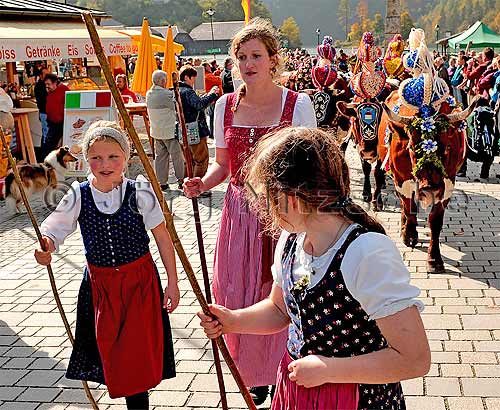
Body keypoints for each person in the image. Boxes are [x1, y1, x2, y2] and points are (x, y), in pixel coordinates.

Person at [199, 127, 431, 409]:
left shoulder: (366, 253)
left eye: (269, 201)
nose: (267, 212)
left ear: (292, 199)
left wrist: (330, 369)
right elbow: (280, 310)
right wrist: (234, 320)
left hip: (355, 400)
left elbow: (414, 359)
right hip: (301, 390)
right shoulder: (291, 240)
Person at [183, 18, 316, 405]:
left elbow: (310, 166)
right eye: (241, 57)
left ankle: (283, 368)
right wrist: (202, 184)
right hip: (240, 213)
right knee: (240, 291)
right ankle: (252, 376)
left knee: (282, 292)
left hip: (286, 212)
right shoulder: (225, 105)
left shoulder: (297, 104)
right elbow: (223, 165)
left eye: (256, 55)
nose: (248, 63)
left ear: (274, 59)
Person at [35, 121, 179, 410]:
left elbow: (162, 237)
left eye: (113, 156)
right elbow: (55, 228)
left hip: (139, 284)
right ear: (86, 160)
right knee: (112, 351)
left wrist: (172, 283)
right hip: (102, 288)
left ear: (126, 158)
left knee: (136, 355)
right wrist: (46, 245)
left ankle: (138, 406)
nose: (105, 164)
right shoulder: (79, 193)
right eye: (96, 157)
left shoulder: (140, 191)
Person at [177, 65, 219, 185]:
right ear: (187, 77)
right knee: (201, 159)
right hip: (195, 129)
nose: (194, 81)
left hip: (182, 129)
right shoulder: (187, 91)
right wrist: (213, 95)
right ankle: (197, 186)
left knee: (188, 160)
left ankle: (185, 183)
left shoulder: (177, 90)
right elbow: (199, 105)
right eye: (193, 78)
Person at [146, 70, 185, 191]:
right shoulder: (166, 95)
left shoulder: (149, 93)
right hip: (169, 130)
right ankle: (181, 180)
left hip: (156, 131)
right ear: (163, 81)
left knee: (160, 157)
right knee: (177, 156)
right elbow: (177, 105)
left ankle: (161, 182)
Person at [44, 74, 69, 159]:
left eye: (49, 84)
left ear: (55, 83)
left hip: (61, 121)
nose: (47, 86)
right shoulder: (50, 91)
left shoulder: (64, 90)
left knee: (51, 143)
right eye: (46, 84)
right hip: (52, 121)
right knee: (49, 143)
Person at [203, 62, 223, 138]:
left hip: (210, 98)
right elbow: (219, 80)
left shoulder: (206, 75)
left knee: (211, 116)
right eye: (209, 66)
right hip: (212, 99)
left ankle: (212, 133)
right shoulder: (208, 76)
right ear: (206, 67)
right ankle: (213, 133)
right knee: (214, 116)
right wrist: (219, 73)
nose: (210, 67)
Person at [34, 67, 49, 158]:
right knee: (46, 134)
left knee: (47, 133)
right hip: (44, 113)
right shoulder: (40, 86)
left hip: (48, 113)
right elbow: (42, 101)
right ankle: (44, 154)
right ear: (41, 76)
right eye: (45, 74)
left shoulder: (46, 84)